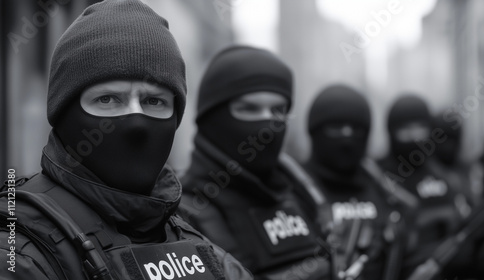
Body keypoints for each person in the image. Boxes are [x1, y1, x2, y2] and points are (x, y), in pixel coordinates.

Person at [0, 1, 252, 279]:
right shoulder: (17, 251)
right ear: (64, 111)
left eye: (154, 100)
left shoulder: (203, 251)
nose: (135, 121)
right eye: (107, 99)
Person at [178, 46, 332, 279]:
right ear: (212, 118)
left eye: (279, 110)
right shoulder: (181, 215)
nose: (268, 124)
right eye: (249, 108)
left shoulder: (303, 192)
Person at [303, 85, 407, 280]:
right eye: (335, 128)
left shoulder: (386, 191)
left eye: (356, 129)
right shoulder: (294, 191)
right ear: (314, 131)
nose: (347, 137)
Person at [377, 95, 466, 278]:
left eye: (420, 128)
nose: (414, 136)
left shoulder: (444, 179)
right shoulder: (375, 177)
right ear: (391, 131)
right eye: (405, 129)